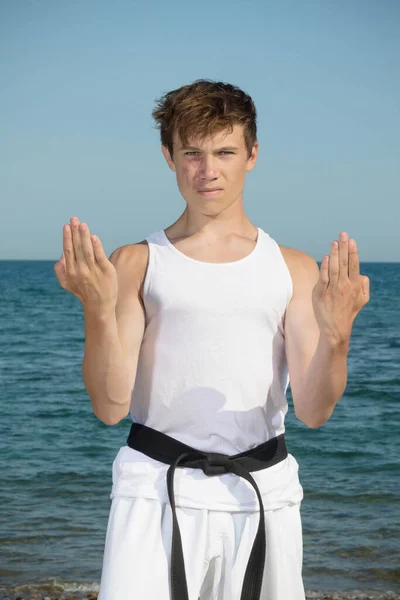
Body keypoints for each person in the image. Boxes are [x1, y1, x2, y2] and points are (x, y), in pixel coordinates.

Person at [54, 79, 370, 600]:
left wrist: (338, 337)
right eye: (192, 153)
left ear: (252, 154)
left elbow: (313, 411)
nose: (208, 171)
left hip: (263, 493)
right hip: (154, 489)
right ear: (168, 156)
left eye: (224, 152)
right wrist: (95, 309)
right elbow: (110, 406)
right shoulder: (138, 262)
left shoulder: (291, 268)